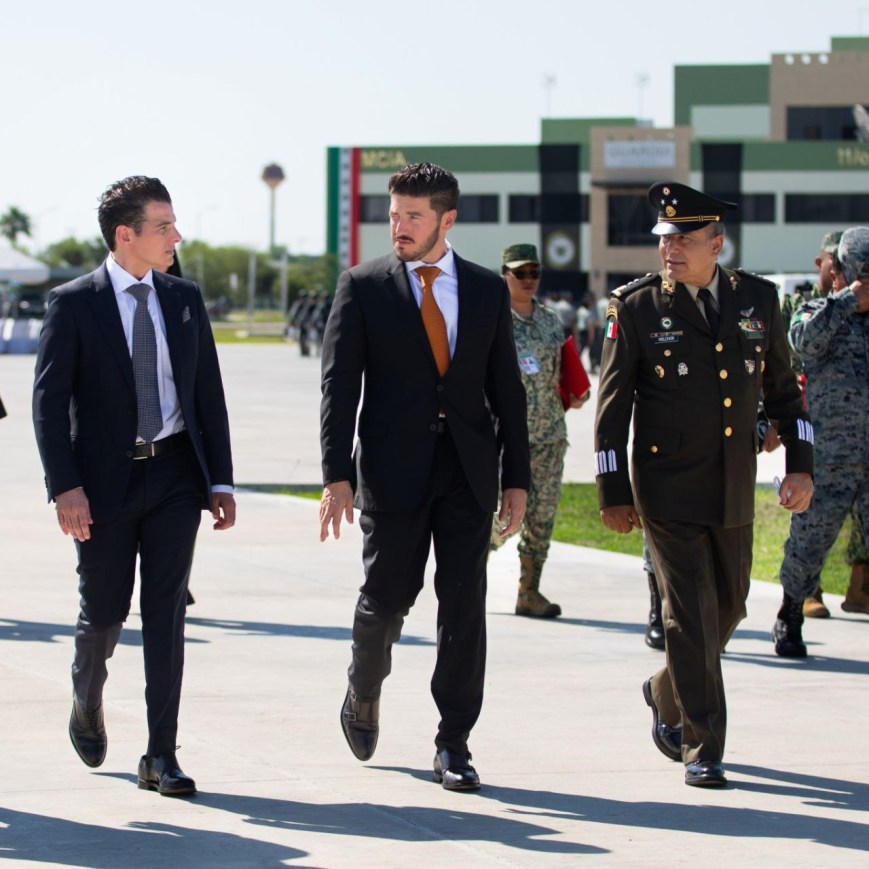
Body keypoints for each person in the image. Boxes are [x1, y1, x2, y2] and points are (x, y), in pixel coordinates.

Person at [594, 181, 814, 788]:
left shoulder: (760, 301)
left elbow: (785, 393)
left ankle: (665, 690)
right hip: (666, 485)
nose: (669, 250)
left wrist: (801, 464)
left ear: (717, 243)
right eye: (664, 239)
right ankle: (702, 745)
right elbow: (611, 411)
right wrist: (614, 493)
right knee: (689, 615)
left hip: (733, 481)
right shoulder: (635, 310)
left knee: (732, 604)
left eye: (684, 239)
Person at [318, 163, 530, 792]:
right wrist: (336, 475)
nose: (399, 227)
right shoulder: (362, 286)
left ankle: (454, 741)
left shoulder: (487, 291)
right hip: (391, 470)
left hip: (467, 472)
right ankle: (363, 689)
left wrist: (515, 477)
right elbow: (339, 387)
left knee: (464, 608)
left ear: (447, 219)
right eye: (394, 214)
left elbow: (507, 392)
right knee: (385, 599)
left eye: (413, 215)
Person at [32, 176, 235, 797]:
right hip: (102, 486)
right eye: (163, 227)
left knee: (166, 613)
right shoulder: (73, 303)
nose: (177, 236)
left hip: (175, 475)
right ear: (126, 235)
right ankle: (86, 692)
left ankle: (160, 755)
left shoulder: (183, 297)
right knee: (104, 614)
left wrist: (220, 479)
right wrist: (65, 487)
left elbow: (207, 394)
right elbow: (47, 403)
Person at [772, 226, 869, 656]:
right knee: (808, 544)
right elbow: (802, 343)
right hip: (831, 458)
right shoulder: (818, 311)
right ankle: (790, 612)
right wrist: (849, 300)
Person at [490, 243, 589, 619]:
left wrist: (574, 391)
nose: (529, 280)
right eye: (520, 273)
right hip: (507, 439)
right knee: (500, 519)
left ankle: (528, 592)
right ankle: (467, 578)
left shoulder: (550, 320)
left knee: (542, 516)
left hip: (550, 435)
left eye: (534, 273)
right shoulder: (492, 319)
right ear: (505, 275)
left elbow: (566, 371)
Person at [780, 230, 843, 619]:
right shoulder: (802, 306)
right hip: (813, 429)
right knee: (814, 518)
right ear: (820, 263)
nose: (839, 269)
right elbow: (782, 363)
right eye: (833, 261)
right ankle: (804, 594)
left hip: (856, 435)